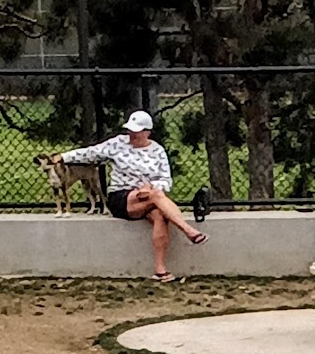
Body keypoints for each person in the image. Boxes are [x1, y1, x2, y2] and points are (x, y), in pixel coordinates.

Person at [61, 111, 206, 283]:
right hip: (121, 197)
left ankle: (160, 270)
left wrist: (150, 188)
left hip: (148, 198)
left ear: (147, 132)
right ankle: (188, 230)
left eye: (136, 131)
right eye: (130, 130)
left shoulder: (157, 151)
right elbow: (91, 153)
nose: (132, 134)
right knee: (157, 196)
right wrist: (62, 157)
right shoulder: (117, 144)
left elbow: (166, 180)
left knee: (160, 214)